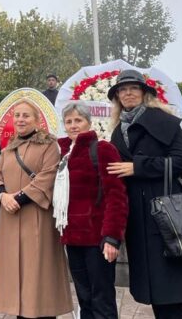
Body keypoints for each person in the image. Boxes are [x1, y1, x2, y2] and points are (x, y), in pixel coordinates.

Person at [106, 70, 182, 319]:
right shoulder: (118, 130)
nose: (127, 93)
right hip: (137, 218)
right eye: (122, 90)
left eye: (133, 88)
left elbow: (181, 161)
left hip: (166, 215)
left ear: (144, 92)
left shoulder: (163, 121)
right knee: (152, 287)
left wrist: (137, 167)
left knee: (170, 288)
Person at [0, 98, 73, 319]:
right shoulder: (8, 149)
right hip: (10, 218)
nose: (20, 119)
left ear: (37, 121)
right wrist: (2, 195)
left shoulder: (48, 145)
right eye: (17, 115)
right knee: (16, 281)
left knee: (39, 280)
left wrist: (18, 197)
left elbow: (47, 177)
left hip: (37, 218)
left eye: (26, 115)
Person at [55, 101, 128, 319]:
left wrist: (112, 237)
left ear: (89, 122)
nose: (73, 125)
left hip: (97, 239)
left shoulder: (103, 149)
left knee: (102, 299)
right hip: (72, 238)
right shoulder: (61, 153)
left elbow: (116, 196)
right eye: (69, 121)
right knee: (84, 299)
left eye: (78, 120)